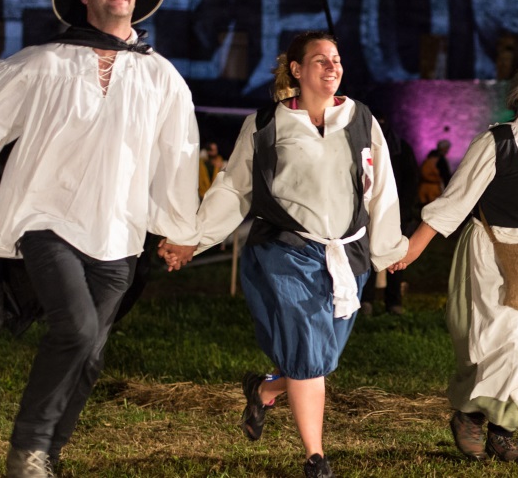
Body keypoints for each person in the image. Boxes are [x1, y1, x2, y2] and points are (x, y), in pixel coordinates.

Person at [0, 0, 200, 476]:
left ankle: (48, 455)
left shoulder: (162, 77)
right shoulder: (42, 63)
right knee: (75, 328)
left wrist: (178, 226)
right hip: (46, 220)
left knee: (90, 354)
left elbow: (176, 156)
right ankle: (26, 450)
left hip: (120, 233)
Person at [170, 31, 407, 478]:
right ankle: (316, 458)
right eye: (320, 60)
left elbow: (382, 191)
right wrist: (193, 239)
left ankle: (264, 390)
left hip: (346, 254)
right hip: (287, 251)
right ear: (296, 70)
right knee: (308, 353)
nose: (331, 66)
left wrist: (388, 247)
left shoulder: (362, 120)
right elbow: (234, 189)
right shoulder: (266, 125)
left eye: (336, 59)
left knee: (321, 360)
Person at [391, 57, 518, 463]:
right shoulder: (497, 142)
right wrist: (414, 247)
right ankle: (470, 416)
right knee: (512, 344)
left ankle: (502, 433)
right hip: (494, 251)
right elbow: (455, 201)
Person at [360, 117, 419, 316]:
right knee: (366, 257)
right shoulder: (364, 148)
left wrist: (402, 210)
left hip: (397, 213)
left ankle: (393, 302)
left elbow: (411, 180)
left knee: (395, 258)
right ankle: (366, 300)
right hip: (368, 212)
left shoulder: (400, 148)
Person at [418, 139, 453, 204]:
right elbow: (444, 175)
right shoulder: (437, 160)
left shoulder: (432, 158)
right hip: (433, 189)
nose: (447, 151)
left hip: (429, 187)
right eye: (446, 148)